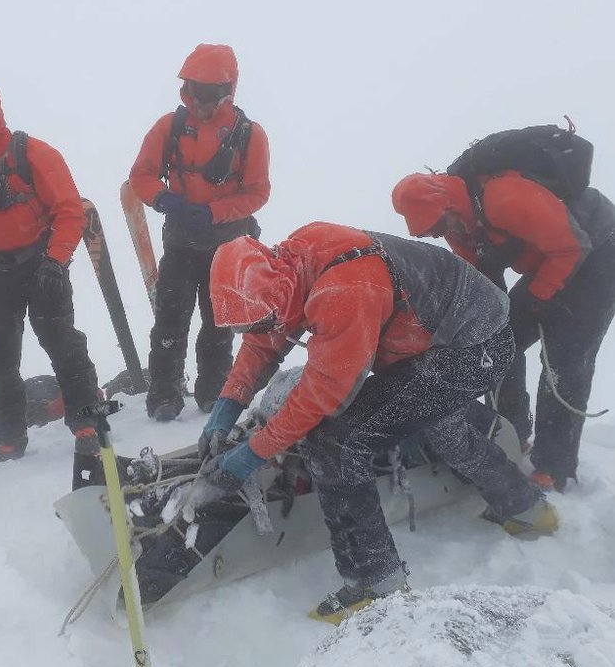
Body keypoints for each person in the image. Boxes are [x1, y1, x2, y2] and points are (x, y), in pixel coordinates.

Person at [195, 222, 558, 624]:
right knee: (439, 425)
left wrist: (252, 454)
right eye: (248, 326)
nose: (257, 331)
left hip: (473, 346)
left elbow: (322, 395)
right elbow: (266, 335)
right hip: (444, 334)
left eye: (259, 321)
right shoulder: (290, 266)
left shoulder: (344, 290)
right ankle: (525, 508)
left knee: (337, 442)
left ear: (274, 292)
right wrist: (228, 406)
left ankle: (375, 582)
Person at [392, 170, 615, 492]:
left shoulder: (504, 196)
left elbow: (572, 247)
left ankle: (553, 466)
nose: (440, 234)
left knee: (564, 362)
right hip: (550, 261)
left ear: (448, 206)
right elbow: (487, 286)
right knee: (497, 342)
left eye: (439, 225)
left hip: (598, 254)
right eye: (431, 232)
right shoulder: (461, 231)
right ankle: (513, 433)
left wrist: (539, 295)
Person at [0, 80, 102, 490]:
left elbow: (69, 211)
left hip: (42, 266)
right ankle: (9, 438)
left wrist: (55, 260)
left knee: (61, 342)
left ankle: (86, 423)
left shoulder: (33, 153)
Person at [128, 43, 271, 421]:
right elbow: (140, 176)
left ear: (227, 91)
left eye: (205, 92)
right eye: (191, 90)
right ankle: (164, 394)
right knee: (170, 321)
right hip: (180, 241)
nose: (197, 100)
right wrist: (164, 200)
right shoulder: (170, 126)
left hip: (228, 246)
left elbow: (259, 192)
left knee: (219, 323)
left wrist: (214, 212)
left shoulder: (250, 135)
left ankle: (213, 391)